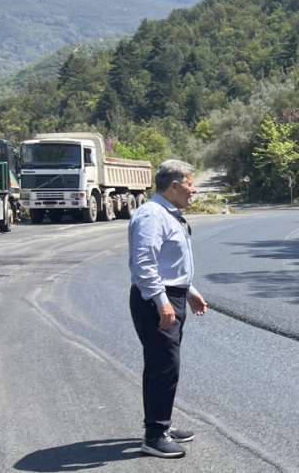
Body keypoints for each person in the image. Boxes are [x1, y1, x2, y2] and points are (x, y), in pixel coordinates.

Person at [128, 159, 209, 459]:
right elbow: (144, 265)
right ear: (174, 186)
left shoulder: (166, 214)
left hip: (170, 295)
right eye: (190, 183)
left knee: (162, 365)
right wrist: (162, 301)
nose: (194, 189)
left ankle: (160, 424)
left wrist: (189, 291)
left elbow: (169, 264)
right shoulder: (152, 215)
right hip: (155, 300)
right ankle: (154, 436)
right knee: (164, 367)